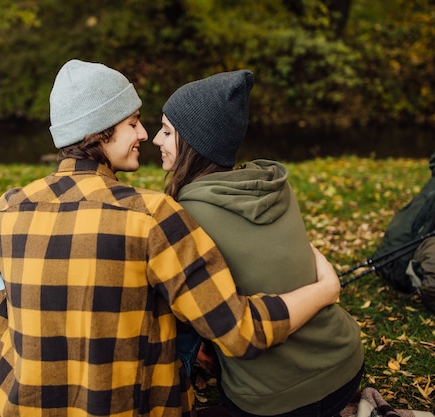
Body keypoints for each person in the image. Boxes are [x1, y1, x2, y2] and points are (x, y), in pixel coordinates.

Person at [0, 59, 342, 417]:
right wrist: (325, 289)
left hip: (19, 404)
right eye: (133, 123)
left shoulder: (10, 208)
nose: (144, 135)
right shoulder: (152, 215)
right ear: (99, 132)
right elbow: (239, 332)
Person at [152, 69, 364, 417]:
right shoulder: (274, 185)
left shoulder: (186, 215)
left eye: (166, 131)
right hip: (347, 363)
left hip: (276, 401)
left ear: (194, 141)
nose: (156, 140)